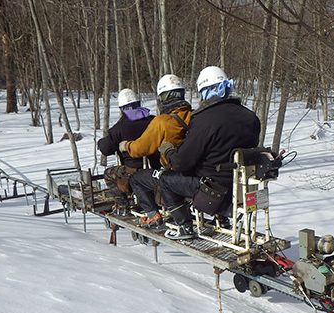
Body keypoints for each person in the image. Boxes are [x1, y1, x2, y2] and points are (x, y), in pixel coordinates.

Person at [157, 66, 261, 239]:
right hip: (242, 187)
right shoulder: (250, 116)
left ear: (205, 92)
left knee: (166, 179)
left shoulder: (204, 120)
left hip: (214, 190)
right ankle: (223, 220)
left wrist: (168, 151)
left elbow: (182, 162)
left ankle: (184, 227)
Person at [126, 74, 192, 228]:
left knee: (136, 179)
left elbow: (139, 149)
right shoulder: (193, 116)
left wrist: (126, 146)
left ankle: (153, 215)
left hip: (171, 173)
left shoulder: (162, 121)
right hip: (191, 173)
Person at [97, 88, 159, 215]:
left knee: (108, 174)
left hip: (134, 171)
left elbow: (106, 148)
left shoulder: (119, 128)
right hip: (156, 168)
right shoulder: (153, 121)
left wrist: (101, 142)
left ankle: (122, 205)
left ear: (122, 108)